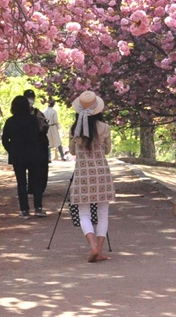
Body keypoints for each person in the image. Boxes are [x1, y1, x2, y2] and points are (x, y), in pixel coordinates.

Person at [68, 90, 114, 262]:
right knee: (103, 212)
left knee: (84, 213)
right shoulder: (104, 128)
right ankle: (99, 250)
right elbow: (107, 150)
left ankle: (93, 247)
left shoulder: (74, 129)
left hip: (82, 173)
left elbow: (72, 151)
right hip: (101, 173)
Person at [2, 95, 49, 217]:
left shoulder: (10, 121)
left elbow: (4, 139)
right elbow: (41, 135)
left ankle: (24, 210)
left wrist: (11, 150)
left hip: (18, 155)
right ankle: (38, 208)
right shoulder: (33, 120)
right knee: (36, 181)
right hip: (34, 154)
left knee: (21, 183)